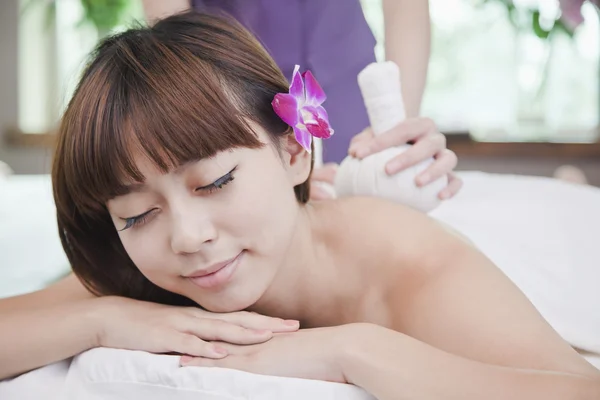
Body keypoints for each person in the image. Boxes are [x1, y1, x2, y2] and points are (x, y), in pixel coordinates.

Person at [1, 12, 599, 398]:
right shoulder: (144, 267)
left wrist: (352, 349)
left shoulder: (403, 264)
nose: (186, 236)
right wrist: (105, 319)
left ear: (294, 153)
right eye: (136, 214)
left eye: (214, 182)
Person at [141, 0, 464, 201]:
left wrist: (396, 124)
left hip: (352, 91)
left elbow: (405, 6)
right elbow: (168, 24)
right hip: (229, 95)